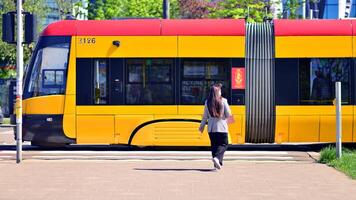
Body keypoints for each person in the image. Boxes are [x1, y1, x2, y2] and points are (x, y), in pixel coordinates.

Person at [199, 83, 233, 170]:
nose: (221, 92)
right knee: (224, 144)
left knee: (214, 145)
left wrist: (202, 126)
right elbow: (229, 114)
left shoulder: (207, 102)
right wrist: (230, 123)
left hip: (211, 128)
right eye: (220, 90)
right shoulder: (224, 101)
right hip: (222, 127)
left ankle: (216, 165)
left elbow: (205, 116)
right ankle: (217, 159)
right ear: (218, 92)